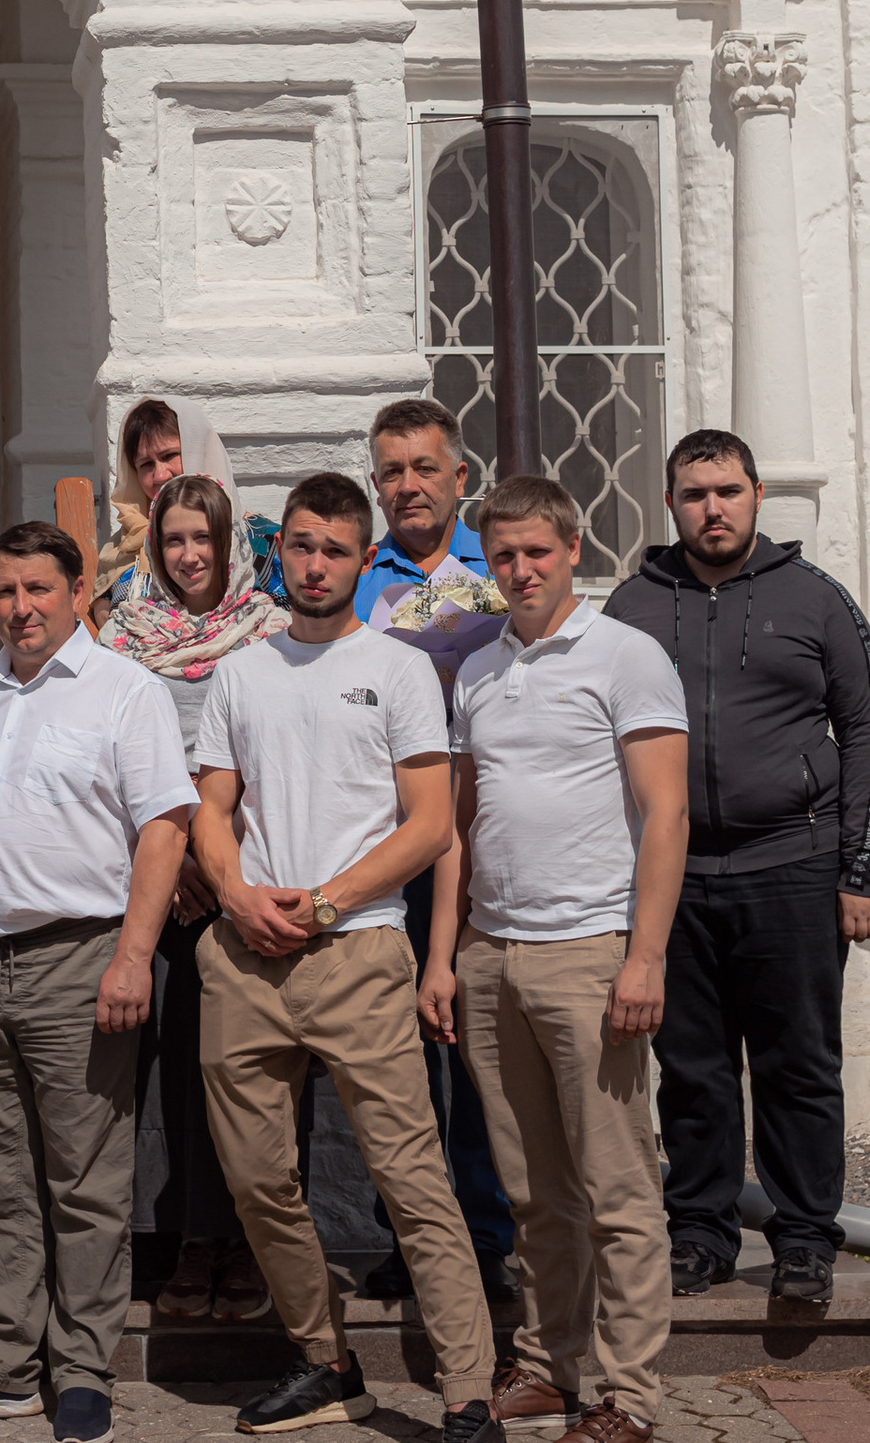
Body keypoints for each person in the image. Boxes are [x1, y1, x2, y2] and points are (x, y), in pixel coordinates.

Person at [190, 471, 496, 1443]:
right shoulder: (240, 669)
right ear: (279, 551)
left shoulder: (399, 668)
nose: (315, 563)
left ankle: (465, 1392)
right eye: (302, 545)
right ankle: (324, 1360)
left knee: (409, 1176)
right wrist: (236, 894)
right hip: (245, 955)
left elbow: (430, 821)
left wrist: (323, 902)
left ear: (364, 562)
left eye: (335, 549)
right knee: (255, 1179)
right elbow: (209, 805)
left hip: (357, 951)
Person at [0, 521, 193, 1443]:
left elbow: (164, 830)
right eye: (6, 592)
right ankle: (0, 1366)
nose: (21, 608)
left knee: (86, 1181)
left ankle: (83, 1373)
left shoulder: (125, 692)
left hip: (82, 959)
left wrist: (134, 957)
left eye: (39, 591)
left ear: (77, 595)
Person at [425, 476, 690, 1443]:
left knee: (617, 1187)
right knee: (531, 1187)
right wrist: (446, 954)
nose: (522, 570)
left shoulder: (627, 656)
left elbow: (666, 812)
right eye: (503, 556)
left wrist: (644, 958)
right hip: (494, 954)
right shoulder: (479, 675)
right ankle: (546, 1364)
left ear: (572, 549)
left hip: (591, 951)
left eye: (537, 551)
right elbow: (457, 827)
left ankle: (627, 1395)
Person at [602, 430, 870, 1309]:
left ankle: (804, 1240)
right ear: (670, 504)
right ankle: (699, 1233)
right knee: (690, 1066)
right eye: (694, 494)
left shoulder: (817, 600)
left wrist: (862, 870)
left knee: (798, 1064)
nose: (712, 508)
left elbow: (868, 732)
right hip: (673, 876)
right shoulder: (631, 608)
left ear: (757, 495)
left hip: (793, 866)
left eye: (727, 491)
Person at [96, 473, 284, 1324]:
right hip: (164, 890)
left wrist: (227, 871)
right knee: (175, 1078)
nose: (189, 554)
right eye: (173, 539)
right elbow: (119, 769)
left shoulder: (270, 635)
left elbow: (277, 768)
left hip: (249, 885)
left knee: (251, 1075)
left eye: (203, 537)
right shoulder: (125, 641)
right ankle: (192, 1242)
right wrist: (175, 871)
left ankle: (252, 1247)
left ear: (228, 542)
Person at [352, 399, 516, 1310]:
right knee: (393, 1058)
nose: (407, 485)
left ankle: (489, 1237)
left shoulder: (499, 568)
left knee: (475, 1047)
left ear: (460, 475)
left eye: (423, 467)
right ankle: (408, 1236)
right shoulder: (356, 576)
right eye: (391, 472)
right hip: (384, 846)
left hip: (486, 842)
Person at [93, 396, 278, 623]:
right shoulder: (123, 549)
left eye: (169, 456)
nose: (160, 475)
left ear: (200, 451)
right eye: (146, 464)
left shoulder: (268, 542)